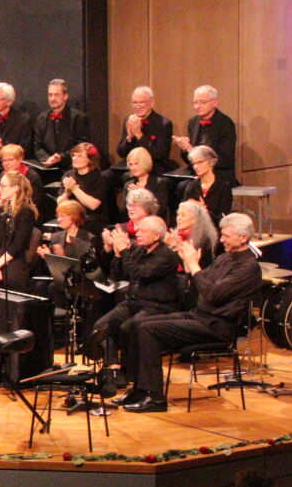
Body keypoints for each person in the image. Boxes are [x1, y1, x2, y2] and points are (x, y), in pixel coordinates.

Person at [121, 212, 263, 412]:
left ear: (243, 238)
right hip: (200, 316)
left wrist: (193, 264)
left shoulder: (248, 267)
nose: (221, 240)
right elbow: (202, 283)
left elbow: (212, 293)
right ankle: (139, 389)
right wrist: (189, 264)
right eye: (222, 235)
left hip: (218, 326)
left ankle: (156, 398)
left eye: (226, 236)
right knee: (136, 324)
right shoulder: (225, 257)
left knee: (148, 330)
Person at [89, 215, 180, 385]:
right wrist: (117, 254)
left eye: (143, 230)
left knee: (127, 328)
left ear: (156, 236)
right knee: (101, 326)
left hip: (156, 306)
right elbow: (116, 275)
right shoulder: (139, 251)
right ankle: (113, 368)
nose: (137, 232)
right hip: (133, 302)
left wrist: (124, 251)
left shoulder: (166, 256)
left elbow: (140, 272)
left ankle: (129, 373)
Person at [0, 171, 38, 290]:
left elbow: (17, 245)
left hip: (13, 265)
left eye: (3, 186)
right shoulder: (2, 210)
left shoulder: (26, 212)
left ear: (15, 188)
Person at [176, 84, 237, 178]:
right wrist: (185, 149)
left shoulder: (226, 124)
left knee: (183, 187)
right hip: (196, 172)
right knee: (169, 183)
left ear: (215, 102)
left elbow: (226, 159)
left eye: (202, 102)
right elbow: (189, 160)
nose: (197, 106)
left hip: (218, 173)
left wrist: (193, 151)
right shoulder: (193, 122)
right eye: (195, 103)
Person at [33, 78, 90, 172]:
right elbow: (37, 146)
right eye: (50, 95)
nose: (52, 98)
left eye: (56, 95)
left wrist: (61, 157)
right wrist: (46, 158)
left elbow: (81, 145)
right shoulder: (41, 118)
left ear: (65, 96)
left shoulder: (78, 117)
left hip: (70, 165)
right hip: (47, 167)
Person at [117, 85, 174, 171]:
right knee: (105, 176)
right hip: (131, 165)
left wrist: (139, 135)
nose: (138, 106)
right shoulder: (128, 120)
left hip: (153, 166)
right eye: (135, 103)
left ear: (151, 102)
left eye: (142, 102)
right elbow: (121, 153)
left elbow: (158, 155)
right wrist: (129, 137)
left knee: (126, 177)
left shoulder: (164, 124)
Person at [177, 144, 234, 228]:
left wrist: (204, 211)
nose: (196, 167)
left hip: (215, 231)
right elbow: (185, 214)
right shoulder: (191, 186)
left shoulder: (223, 186)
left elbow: (223, 220)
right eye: (194, 163)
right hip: (195, 230)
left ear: (211, 162)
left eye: (200, 162)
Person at [58, 142, 109, 235]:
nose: (75, 159)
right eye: (73, 155)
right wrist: (67, 193)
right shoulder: (68, 175)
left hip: (91, 220)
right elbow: (60, 204)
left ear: (90, 160)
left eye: (80, 156)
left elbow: (93, 205)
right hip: (72, 219)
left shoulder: (99, 177)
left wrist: (75, 189)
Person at [120, 146, 169, 222]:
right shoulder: (128, 185)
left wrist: (143, 194)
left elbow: (160, 210)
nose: (133, 168)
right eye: (131, 164)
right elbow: (123, 211)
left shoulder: (159, 183)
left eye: (136, 164)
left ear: (145, 163)